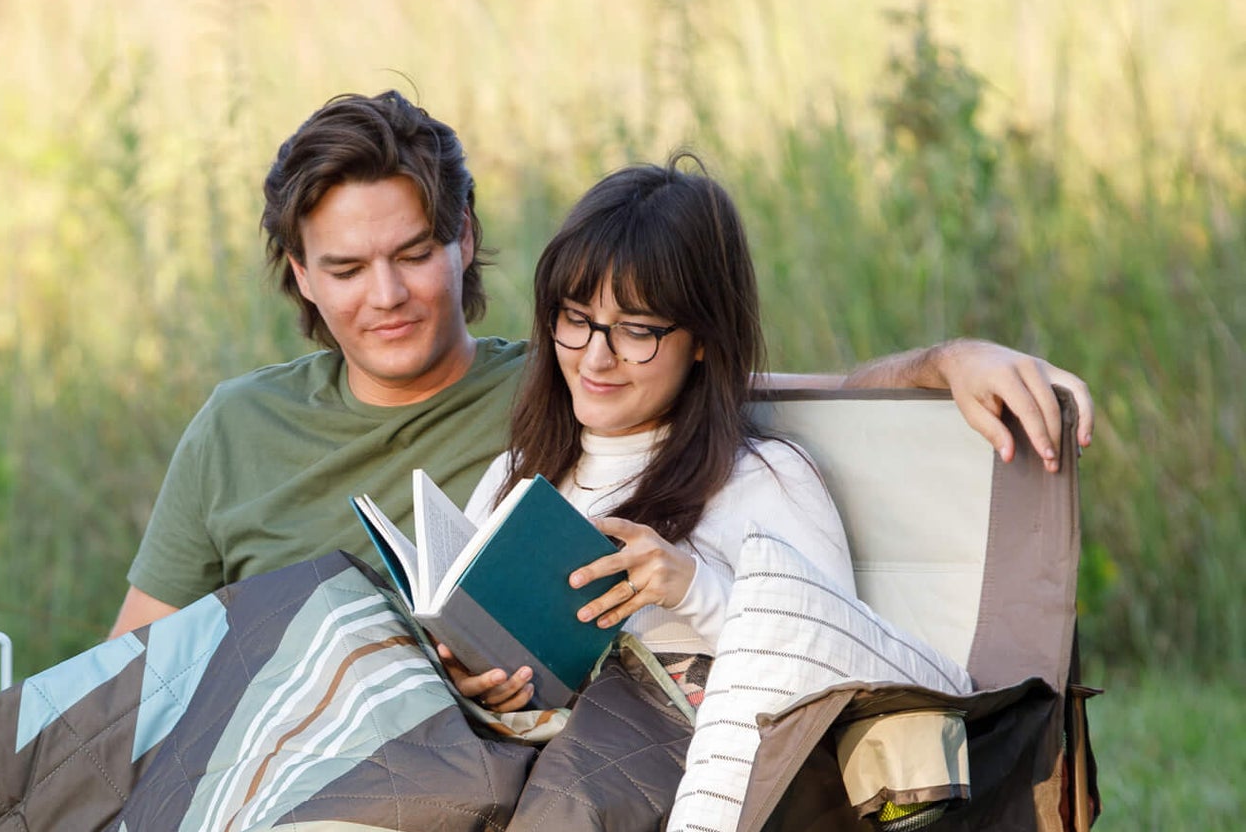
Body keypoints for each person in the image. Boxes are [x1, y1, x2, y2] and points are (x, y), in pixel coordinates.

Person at [110, 91, 1094, 638]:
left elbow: (756, 397)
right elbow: (132, 660)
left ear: (463, 237)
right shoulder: (235, 426)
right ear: (299, 276)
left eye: (412, 252)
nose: (387, 295)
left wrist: (949, 358)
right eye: (346, 267)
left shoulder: (563, 388)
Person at [444, 159, 841, 715]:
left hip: (686, 787)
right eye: (577, 318)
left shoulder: (765, 477)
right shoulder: (517, 474)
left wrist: (691, 588)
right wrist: (470, 685)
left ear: (703, 338)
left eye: (636, 330)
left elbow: (844, 670)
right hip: (524, 781)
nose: (596, 358)